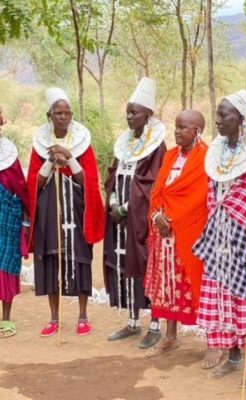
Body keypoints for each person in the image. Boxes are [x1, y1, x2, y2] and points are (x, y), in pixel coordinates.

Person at [193, 90, 246, 388]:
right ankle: (233, 354)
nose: (218, 120)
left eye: (224, 115)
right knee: (222, 293)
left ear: (241, 119)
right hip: (219, 230)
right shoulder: (217, 151)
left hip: (245, 232)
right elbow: (214, 193)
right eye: (218, 114)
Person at [27, 88, 104, 337]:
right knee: (51, 260)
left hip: (77, 209)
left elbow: (87, 181)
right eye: (58, 112)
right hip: (50, 210)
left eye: (67, 112)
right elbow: (34, 184)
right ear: (49, 115)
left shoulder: (83, 142)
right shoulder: (40, 145)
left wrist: (70, 157)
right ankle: (54, 318)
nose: (64, 116)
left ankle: (82, 316)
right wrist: (50, 160)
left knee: (80, 259)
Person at [104, 77, 167, 349]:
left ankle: (154, 325)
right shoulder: (124, 143)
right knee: (123, 265)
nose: (130, 116)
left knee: (147, 266)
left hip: (142, 220)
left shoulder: (157, 146)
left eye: (135, 112)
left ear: (148, 115)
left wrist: (128, 208)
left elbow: (152, 185)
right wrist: (114, 204)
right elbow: (114, 174)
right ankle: (132, 322)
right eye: (128, 112)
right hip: (120, 218)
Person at [144, 110, 209, 357]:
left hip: (190, 233)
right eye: (176, 126)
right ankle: (170, 336)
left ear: (197, 131)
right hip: (164, 235)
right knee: (167, 285)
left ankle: (214, 344)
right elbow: (158, 191)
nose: (178, 131)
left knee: (194, 284)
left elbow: (199, 197)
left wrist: (173, 219)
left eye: (184, 127)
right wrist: (157, 216)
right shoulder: (170, 155)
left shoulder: (206, 157)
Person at [0, 106, 30, 338]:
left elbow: (19, 185)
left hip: (7, 216)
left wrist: (27, 218)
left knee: (6, 265)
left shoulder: (8, 152)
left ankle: (6, 319)